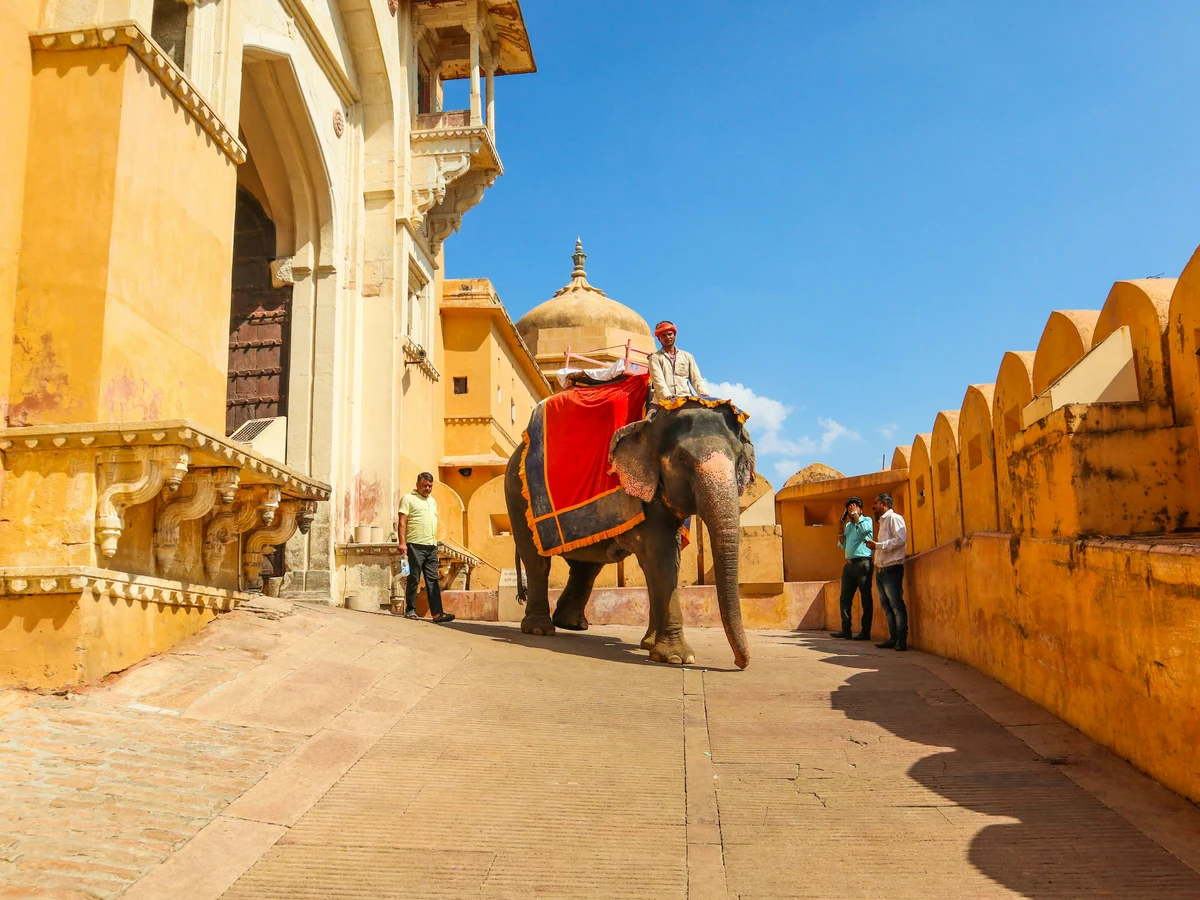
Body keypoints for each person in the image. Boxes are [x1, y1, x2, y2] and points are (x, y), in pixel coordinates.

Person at [398, 472, 455, 624]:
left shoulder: (433, 501)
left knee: (433, 580)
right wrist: (402, 543)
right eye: (425, 485)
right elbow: (402, 522)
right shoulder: (408, 499)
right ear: (417, 484)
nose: (428, 488)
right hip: (415, 545)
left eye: (430, 486)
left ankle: (437, 614)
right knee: (414, 578)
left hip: (431, 546)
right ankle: (410, 610)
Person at [865, 493, 908, 650]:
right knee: (887, 606)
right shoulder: (882, 521)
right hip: (882, 570)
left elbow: (901, 539)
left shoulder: (894, 518)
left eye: (875, 503)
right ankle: (893, 638)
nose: (873, 506)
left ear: (884, 504)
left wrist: (878, 545)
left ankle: (901, 641)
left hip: (892, 569)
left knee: (896, 605)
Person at [830, 496, 873, 640]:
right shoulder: (848, 526)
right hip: (849, 564)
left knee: (866, 599)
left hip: (863, 563)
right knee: (845, 599)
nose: (851, 510)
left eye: (854, 508)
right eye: (849, 509)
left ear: (861, 509)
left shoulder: (867, 521)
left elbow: (864, 531)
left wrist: (856, 516)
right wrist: (840, 526)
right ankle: (845, 629)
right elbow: (842, 543)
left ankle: (865, 632)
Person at [649, 320, 708, 401]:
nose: (667, 337)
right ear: (659, 339)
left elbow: (696, 378)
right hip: (661, 401)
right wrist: (667, 397)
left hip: (686, 399)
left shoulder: (687, 356)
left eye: (670, 334)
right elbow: (658, 380)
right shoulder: (655, 358)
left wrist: (703, 394)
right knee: (651, 414)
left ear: (674, 335)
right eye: (663, 335)